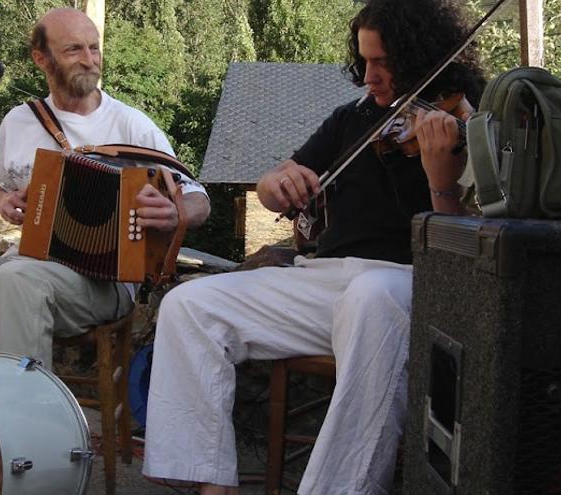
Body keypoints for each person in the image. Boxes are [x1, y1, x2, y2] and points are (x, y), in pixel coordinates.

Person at [142, 0, 484, 493]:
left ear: (421, 55)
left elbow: (463, 245)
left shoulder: (471, 121)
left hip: (406, 286)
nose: (369, 76)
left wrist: (440, 180)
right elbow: (270, 184)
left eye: (383, 62)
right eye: (364, 61)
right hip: (325, 280)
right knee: (187, 305)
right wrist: (277, 181)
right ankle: (211, 485)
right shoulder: (353, 119)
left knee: (370, 295)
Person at [0, 8, 210, 367]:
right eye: (74, 50)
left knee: (16, 278)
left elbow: (198, 199)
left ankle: (25, 415)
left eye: (94, 48)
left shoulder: (131, 125)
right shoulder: (20, 120)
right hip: (22, 266)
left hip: (103, 286)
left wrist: (175, 212)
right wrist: (2, 201)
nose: (89, 60)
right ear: (42, 59)